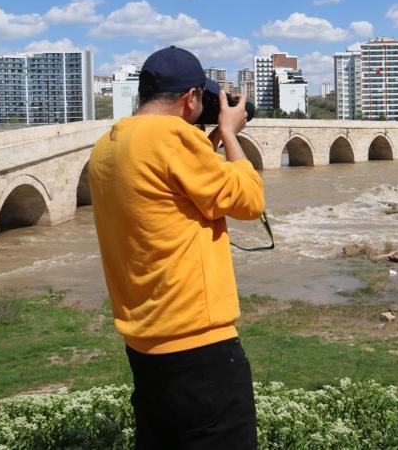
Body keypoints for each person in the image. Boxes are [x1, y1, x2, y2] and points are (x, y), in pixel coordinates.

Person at [88, 45, 265, 449]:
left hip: (145, 347)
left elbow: (169, 195)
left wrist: (211, 143)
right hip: (199, 349)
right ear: (190, 99)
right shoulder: (173, 139)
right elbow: (250, 202)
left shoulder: (109, 145)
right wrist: (232, 135)